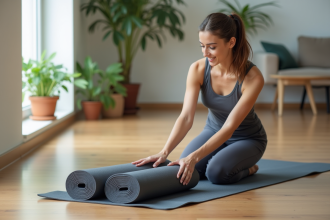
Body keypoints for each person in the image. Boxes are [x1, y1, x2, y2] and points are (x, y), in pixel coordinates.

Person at [132, 13, 267, 186]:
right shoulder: (197, 69)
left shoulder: (253, 78)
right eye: (202, 46)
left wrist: (194, 157)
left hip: (247, 138)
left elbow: (229, 128)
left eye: (211, 47)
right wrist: (164, 152)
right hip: (213, 130)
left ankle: (249, 168)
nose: (205, 53)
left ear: (231, 42)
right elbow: (186, 117)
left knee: (216, 174)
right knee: (183, 169)